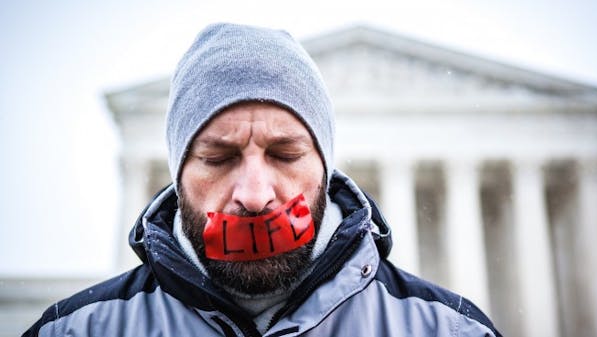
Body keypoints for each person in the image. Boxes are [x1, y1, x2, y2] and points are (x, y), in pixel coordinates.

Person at [24, 23, 501, 337]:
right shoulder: (76, 331)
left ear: (326, 166)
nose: (254, 196)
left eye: (286, 153)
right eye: (218, 157)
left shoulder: (449, 330)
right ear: (178, 173)